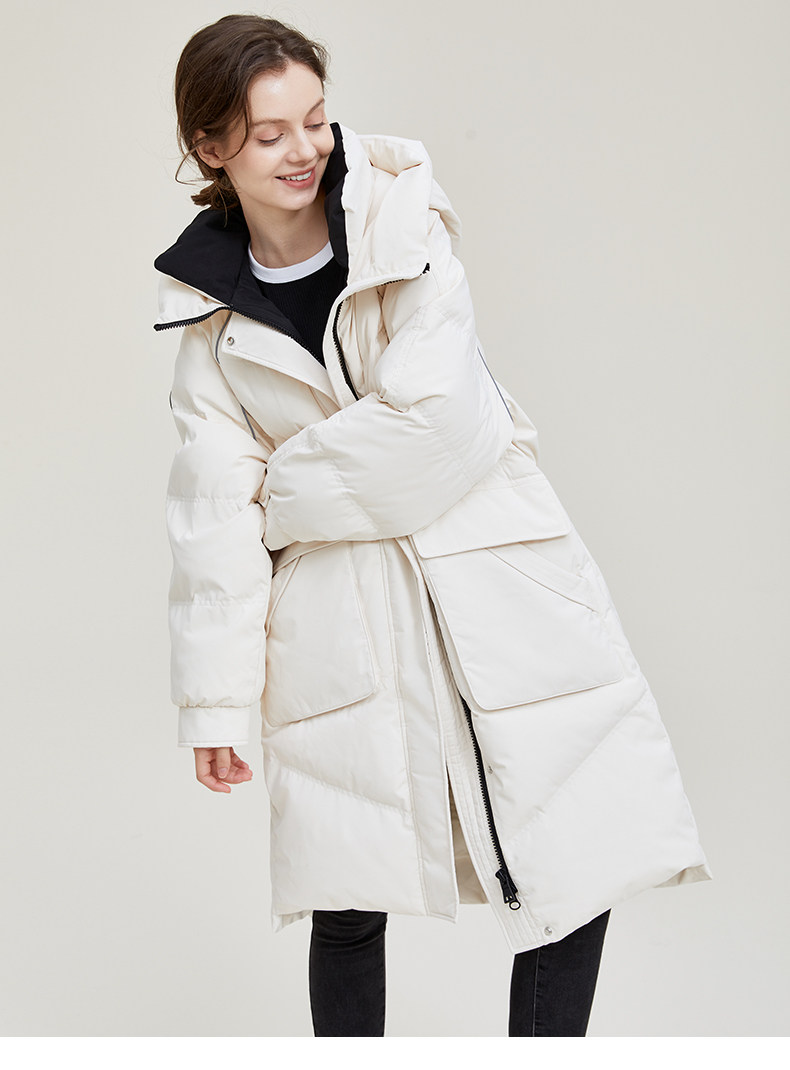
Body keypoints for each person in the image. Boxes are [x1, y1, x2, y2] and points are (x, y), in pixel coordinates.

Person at [154, 14, 712, 1037]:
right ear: (212, 146)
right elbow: (211, 528)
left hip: (501, 580)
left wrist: (277, 491)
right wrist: (216, 706)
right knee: (345, 894)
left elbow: (439, 428)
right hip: (338, 623)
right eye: (270, 132)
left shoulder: (404, 229)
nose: (304, 148)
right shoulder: (209, 330)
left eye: (315, 118)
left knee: (567, 856)